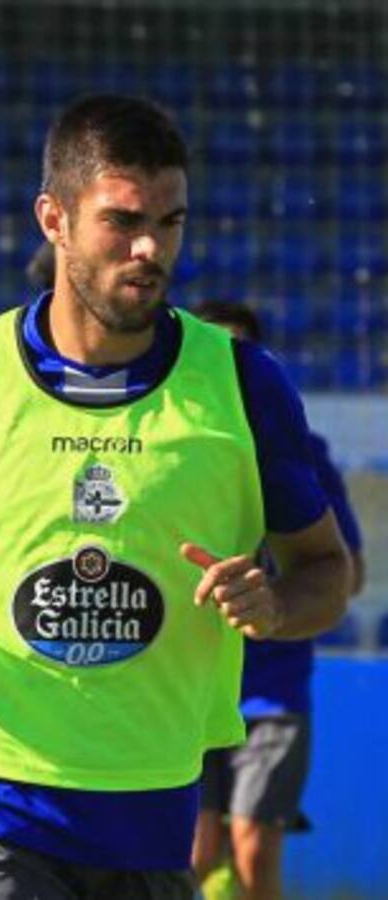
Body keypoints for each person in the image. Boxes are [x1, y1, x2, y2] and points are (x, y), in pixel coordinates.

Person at [0, 94, 352, 899]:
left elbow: (327, 571)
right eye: (122, 221)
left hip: (152, 813)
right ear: (53, 219)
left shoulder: (242, 386)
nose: (149, 248)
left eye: (169, 222)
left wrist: (274, 605)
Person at [190, 300, 365, 900]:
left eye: (238, 357)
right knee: (195, 851)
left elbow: (346, 573)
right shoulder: (171, 450)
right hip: (192, 687)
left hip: (274, 691)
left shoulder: (303, 455)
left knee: (253, 847)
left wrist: (276, 596)